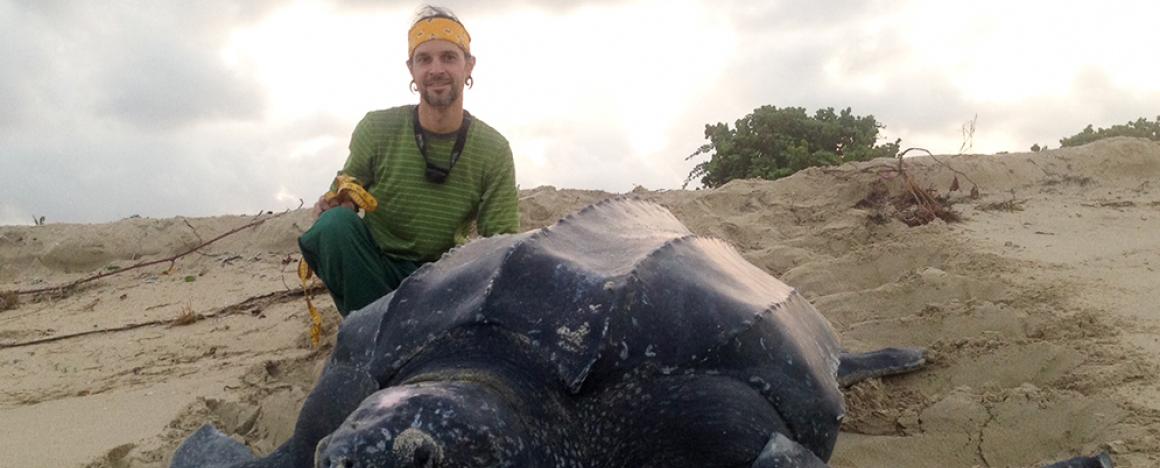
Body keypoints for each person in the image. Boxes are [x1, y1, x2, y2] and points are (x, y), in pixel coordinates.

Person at [299, 5, 519, 317]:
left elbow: (502, 240)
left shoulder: (493, 149)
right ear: (411, 69)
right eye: (424, 59)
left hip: (443, 278)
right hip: (375, 269)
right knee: (333, 226)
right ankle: (371, 330)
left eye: (449, 57)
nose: (436, 69)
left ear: (469, 66)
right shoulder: (377, 128)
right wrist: (334, 203)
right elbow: (344, 193)